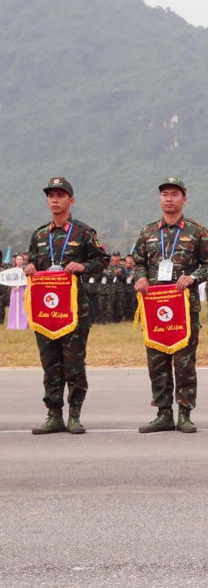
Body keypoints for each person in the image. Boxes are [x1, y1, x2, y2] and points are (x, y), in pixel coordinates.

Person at [131, 177, 208, 434]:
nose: (169, 198)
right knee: (156, 361)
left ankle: (185, 413)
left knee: (184, 362)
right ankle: (163, 413)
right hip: (154, 308)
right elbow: (138, 262)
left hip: (184, 307)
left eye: (174, 194)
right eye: (165, 194)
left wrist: (194, 277)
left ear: (184, 199)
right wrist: (141, 277)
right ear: (160, 199)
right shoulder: (148, 232)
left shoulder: (196, 231)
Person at [23, 177, 108, 435]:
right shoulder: (39, 235)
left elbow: (101, 260)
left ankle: (75, 415)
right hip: (46, 312)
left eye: (60, 196)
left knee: (73, 364)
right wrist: (29, 268)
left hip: (74, 313)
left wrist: (83, 266)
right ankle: (53, 415)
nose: (55, 200)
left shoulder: (83, 233)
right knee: (50, 364)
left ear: (71, 200)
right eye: (51, 196)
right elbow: (34, 263)